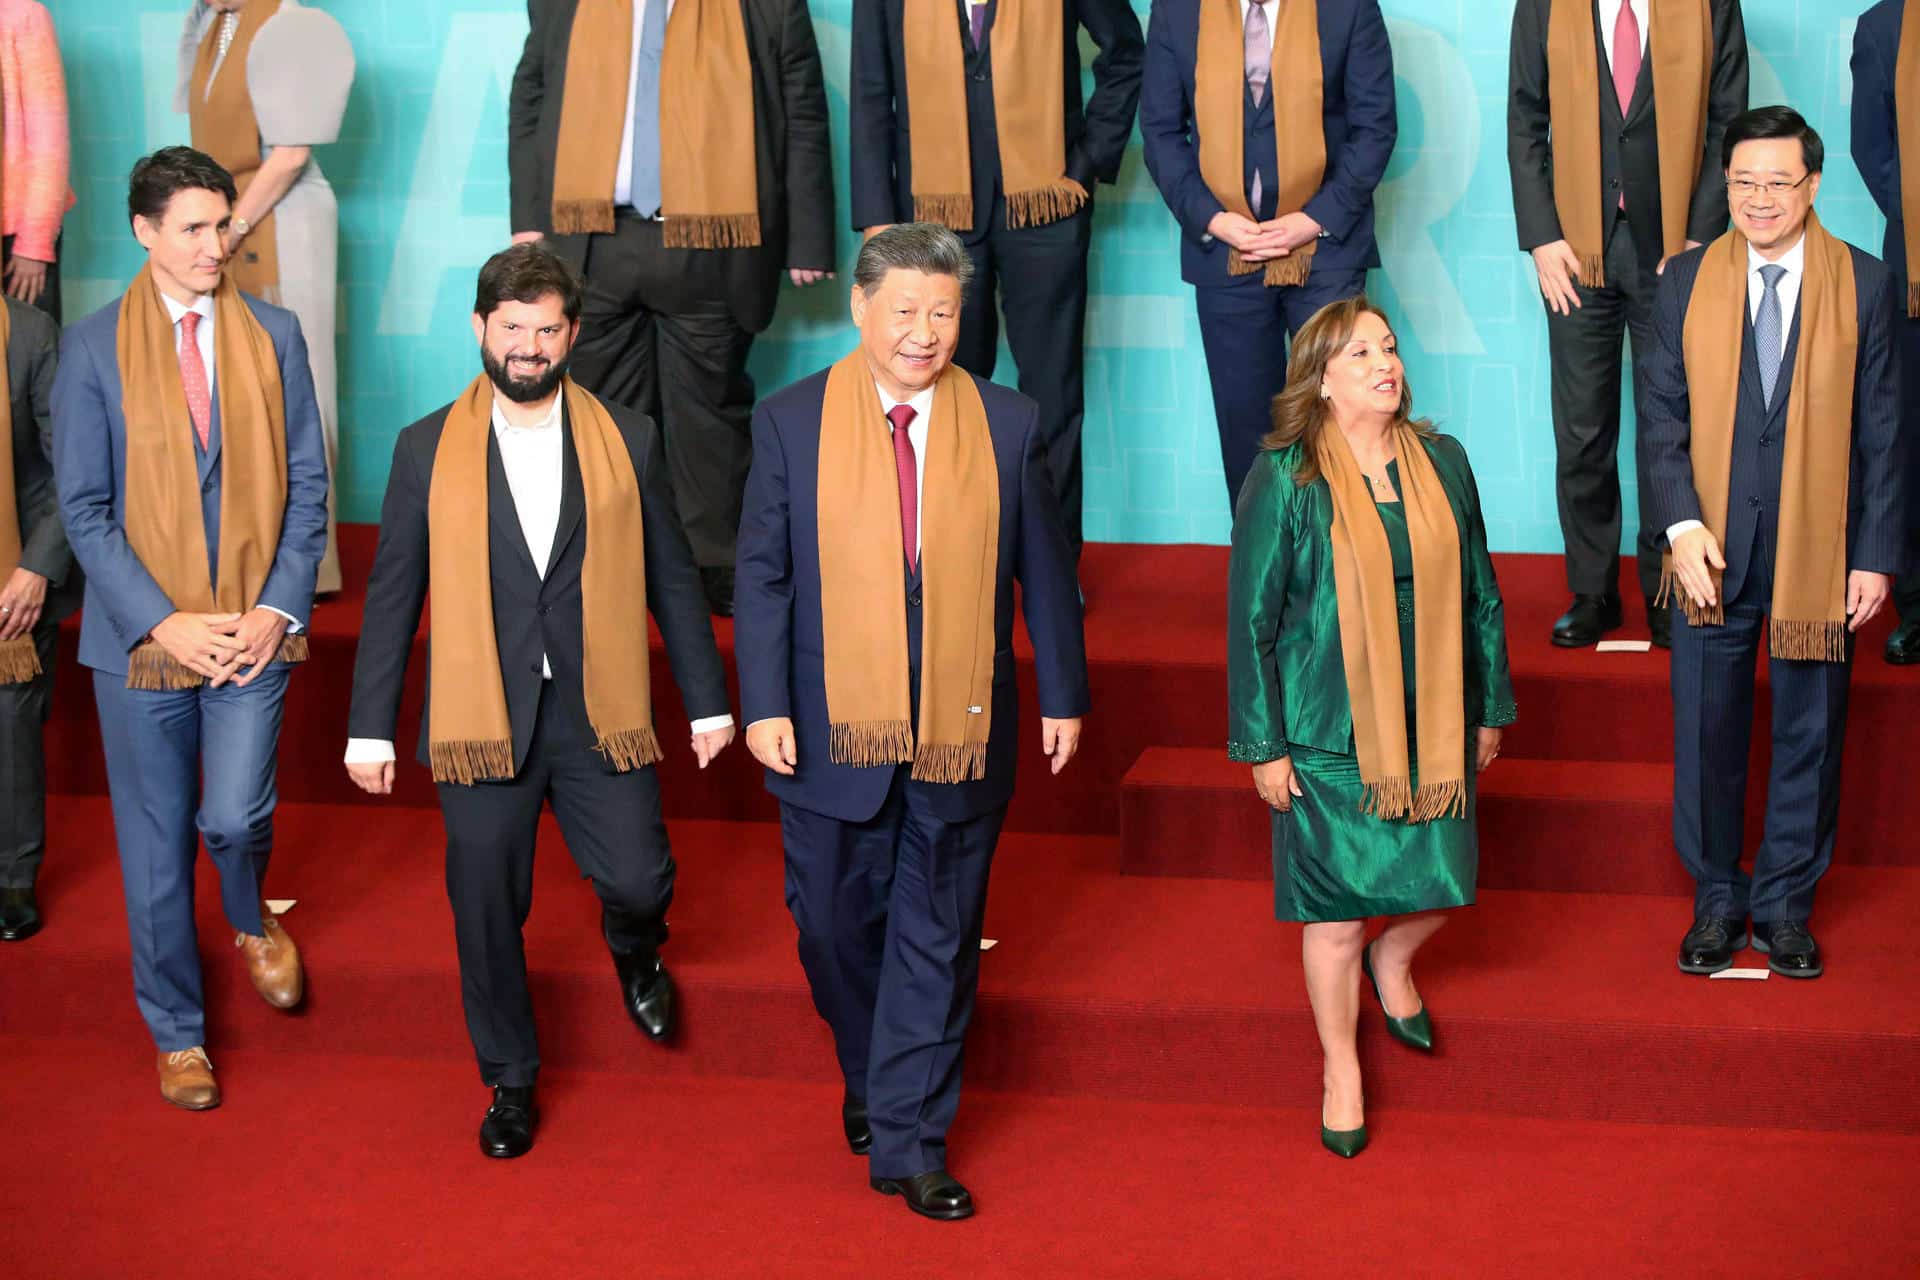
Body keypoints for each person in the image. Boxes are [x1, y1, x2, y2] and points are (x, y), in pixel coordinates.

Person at [343, 244, 733, 1159]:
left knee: (641, 876)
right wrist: (370, 725)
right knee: (485, 906)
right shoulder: (423, 448)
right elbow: (395, 594)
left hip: (599, 705)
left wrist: (709, 702)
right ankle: (509, 1081)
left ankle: (634, 942)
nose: (528, 347)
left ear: (573, 336)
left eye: (546, 330)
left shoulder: (626, 436)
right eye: (511, 329)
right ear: (481, 330)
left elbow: (672, 580)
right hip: (482, 719)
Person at [734, 223, 1088, 1220]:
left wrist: (1063, 690)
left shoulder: (1009, 422)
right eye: (906, 311)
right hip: (824, 722)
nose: (926, 333)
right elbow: (763, 574)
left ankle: (912, 1141)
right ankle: (876, 1071)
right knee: (831, 929)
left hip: (960, 723)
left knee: (938, 933)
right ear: (860, 309)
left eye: (943, 312)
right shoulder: (790, 421)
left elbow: (1048, 574)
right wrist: (762, 701)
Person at [52, 146, 329, 1108]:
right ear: (144, 233)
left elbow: (308, 493)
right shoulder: (89, 348)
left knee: (232, 816)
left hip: (253, 628)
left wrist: (272, 609)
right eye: (196, 228)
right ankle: (178, 1035)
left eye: (224, 224)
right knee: (156, 846)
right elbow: (84, 509)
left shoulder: (276, 335)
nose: (219, 244)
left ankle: (251, 917)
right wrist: (164, 623)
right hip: (143, 645)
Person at [1227, 295, 1515, 1158]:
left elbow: (1481, 595)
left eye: (1388, 348)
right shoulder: (1287, 476)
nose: (1385, 364)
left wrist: (1490, 705)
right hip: (1326, 731)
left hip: (1433, 716)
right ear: (1319, 379)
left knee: (1444, 881)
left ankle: (1394, 964)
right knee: (1338, 916)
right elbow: (1252, 619)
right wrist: (1264, 745)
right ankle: (1340, 1067)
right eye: (1360, 355)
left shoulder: (1443, 460)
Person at [1643, 107, 1906, 979]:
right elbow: (1660, 420)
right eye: (1744, 181)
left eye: (1778, 182)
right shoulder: (1681, 281)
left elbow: (1884, 434)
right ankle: (1717, 901)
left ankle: (1786, 906)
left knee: (1810, 734)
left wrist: (1873, 555)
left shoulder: (1864, 285)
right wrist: (1679, 527)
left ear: (1813, 186)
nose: (1760, 199)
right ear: (1727, 185)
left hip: (1817, 558)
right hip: (1709, 554)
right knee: (1708, 735)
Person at [509, 0, 835, 617]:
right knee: (603, 416)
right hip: (595, 236)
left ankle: (715, 567)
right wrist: (529, 219)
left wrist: (810, 237)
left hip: (715, 241)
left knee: (710, 413)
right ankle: (612, 563)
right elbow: (533, 94)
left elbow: (803, 108)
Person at [849, 0, 1144, 563]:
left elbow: (1126, 51)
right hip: (930, 212)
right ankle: (947, 561)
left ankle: (1052, 566)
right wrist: (877, 219)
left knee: (1052, 397)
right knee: (939, 394)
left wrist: (1085, 165)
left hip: (1046, 212)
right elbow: (869, 89)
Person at [1508, 0, 1748, 649]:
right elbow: (1525, 117)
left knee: (1671, 424)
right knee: (1582, 427)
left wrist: (1700, 235)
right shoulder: (1543, 6)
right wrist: (1541, 237)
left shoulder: (1710, 5)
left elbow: (1729, 121)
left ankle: (1670, 586)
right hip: (1574, 249)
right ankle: (1593, 592)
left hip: (1674, 246)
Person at [1140, 0, 1397, 508]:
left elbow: (1375, 128)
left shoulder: (1349, 8)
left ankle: (1344, 572)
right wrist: (1213, 219)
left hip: (1326, 252)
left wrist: (1313, 219)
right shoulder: (1176, 11)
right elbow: (1161, 132)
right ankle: (1264, 572)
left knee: (1346, 423)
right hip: (1225, 255)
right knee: (1247, 435)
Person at [177, 0, 354, 595]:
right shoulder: (209, 28)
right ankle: (249, 546)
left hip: (283, 221)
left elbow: (290, 153)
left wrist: (231, 229)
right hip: (226, 219)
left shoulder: (291, 22)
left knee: (301, 388)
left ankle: (313, 560)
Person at [1850, 0, 1920, 665]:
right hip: (1917, 273)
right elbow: (1872, 148)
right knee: (1912, 438)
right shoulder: (1885, 26)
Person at [0, 293, 68, 941]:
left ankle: (12, 875)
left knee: (10, 712)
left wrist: (36, 568)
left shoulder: (29, 334)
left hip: (11, 567)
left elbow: (68, 467)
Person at [1, 0, 71, 321]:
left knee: (26, 358)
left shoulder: (23, 14)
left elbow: (49, 138)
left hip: (17, 237)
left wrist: (35, 243)